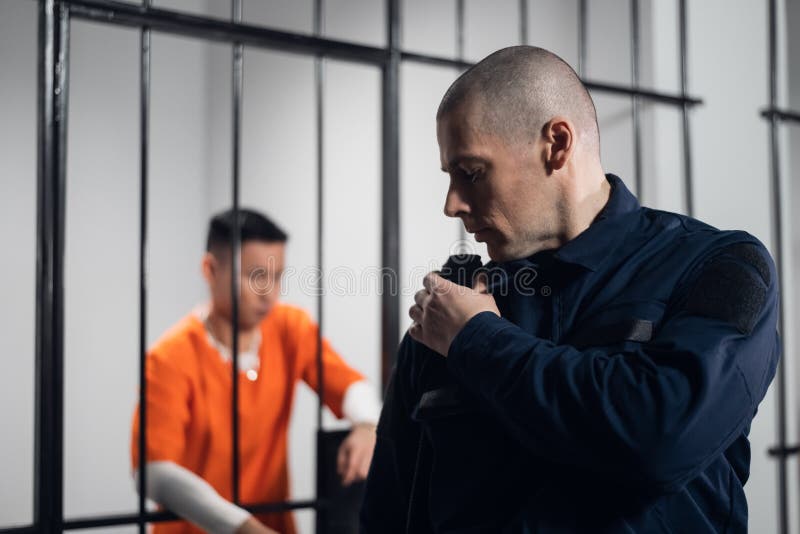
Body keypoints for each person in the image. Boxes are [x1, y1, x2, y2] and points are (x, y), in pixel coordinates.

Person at [360, 45, 780, 533]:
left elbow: (659, 439)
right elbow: (391, 509)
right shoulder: (450, 306)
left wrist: (478, 339)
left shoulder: (720, 266)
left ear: (556, 145)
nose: (452, 204)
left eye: (471, 173)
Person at [131, 208, 381, 534]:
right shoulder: (170, 357)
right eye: (255, 276)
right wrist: (242, 528)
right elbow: (153, 472)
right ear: (210, 269)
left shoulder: (290, 328)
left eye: (277, 277)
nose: (269, 292)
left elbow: (349, 385)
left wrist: (368, 424)